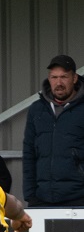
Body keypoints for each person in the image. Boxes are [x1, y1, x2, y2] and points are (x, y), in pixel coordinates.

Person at [23, 54, 84, 207]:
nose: (59, 82)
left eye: (64, 77)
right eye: (54, 77)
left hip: (78, 197)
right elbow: (29, 153)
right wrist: (30, 195)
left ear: (74, 78)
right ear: (49, 79)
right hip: (41, 198)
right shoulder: (36, 109)